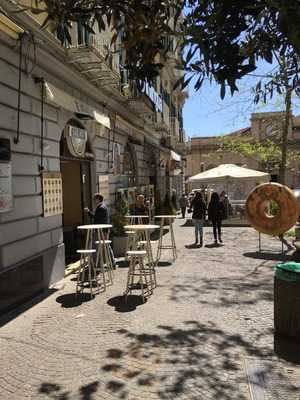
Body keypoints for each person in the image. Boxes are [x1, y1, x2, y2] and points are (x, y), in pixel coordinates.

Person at [84, 193, 116, 267]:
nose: (94, 201)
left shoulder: (101, 208)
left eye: (95, 199)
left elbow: (96, 219)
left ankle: (96, 263)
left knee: (98, 245)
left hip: (101, 230)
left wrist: (88, 212)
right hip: (103, 230)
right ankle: (110, 262)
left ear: (98, 199)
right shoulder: (103, 206)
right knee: (105, 246)